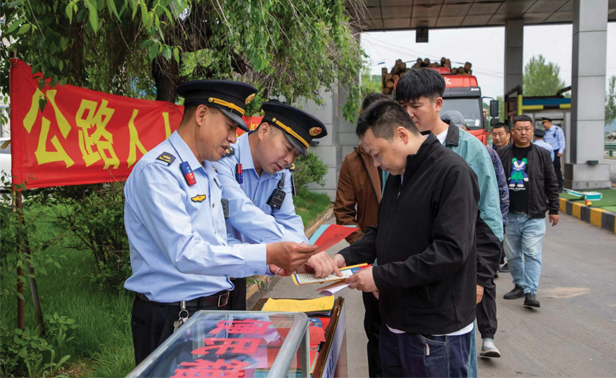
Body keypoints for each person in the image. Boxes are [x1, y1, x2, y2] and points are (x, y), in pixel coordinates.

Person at [123, 80, 319, 365]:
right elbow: (187, 253)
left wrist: (273, 262)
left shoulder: (207, 171)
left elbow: (218, 243)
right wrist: (268, 252)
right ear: (201, 115)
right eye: (229, 127)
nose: (233, 138)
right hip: (172, 317)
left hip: (211, 315)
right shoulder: (158, 172)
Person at [329, 100, 479, 377]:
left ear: (401, 134)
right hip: (396, 322)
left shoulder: (451, 173)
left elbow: (450, 252)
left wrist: (380, 277)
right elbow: (380, 232)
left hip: (433, 332)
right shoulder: (400, 174)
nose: (376, 164)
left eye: (377, 154)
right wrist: (342, 257)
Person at [395, 69, 503, 376]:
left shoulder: (471, 150)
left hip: (457, 278)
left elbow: (490, 220)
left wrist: (480, 278)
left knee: (456, 360)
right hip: (412, 276)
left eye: (415, 105)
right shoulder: (401, 150)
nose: (408, 113)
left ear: (438, 103)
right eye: (402, 106)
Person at [212, 101, 338, 310]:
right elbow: (241, 212)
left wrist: (304, 252)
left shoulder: (280, 173)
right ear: (263, 130)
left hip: (239, 273)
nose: (288, 160)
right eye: (287, 148)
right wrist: (302, 251)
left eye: (295, 156)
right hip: (210, 273)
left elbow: (287, 218)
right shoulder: (224, 158)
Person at [442, 110, 508, 359]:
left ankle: (488, 337)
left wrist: (496, 233)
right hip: (454, 243)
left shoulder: (481, 152)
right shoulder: (429, 152)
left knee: (484, 284)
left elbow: (498, 193)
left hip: (480, 235)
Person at [334, 92, 388, 378]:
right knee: (377, 333)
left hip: (411, 263)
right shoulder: (353, 162)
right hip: (372, 265)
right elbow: (343, 215)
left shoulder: (414, 157)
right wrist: (367, 250)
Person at [499, 115, 560, 308]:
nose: (523, 132)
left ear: (532, 131)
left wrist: (554, 209)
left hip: (533, 214)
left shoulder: (541, 154)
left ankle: (530, 292)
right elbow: (496, 182)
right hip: (510, 215)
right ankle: (519, 285)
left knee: (532, 253)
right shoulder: (503, 153)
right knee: (513, 255)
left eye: (527, 129)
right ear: (513, 132)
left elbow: (551, 182)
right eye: (519, 129)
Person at [541, 117, 565, 191]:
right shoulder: (545, 132)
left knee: (556, 169)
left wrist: (561, 151)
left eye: (544, 124)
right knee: (547, 168)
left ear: (549, 123)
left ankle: (559, 186)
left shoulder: (557, 130)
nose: (544, 126)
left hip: (555, 151)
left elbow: (561, 140)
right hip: (547, 151)